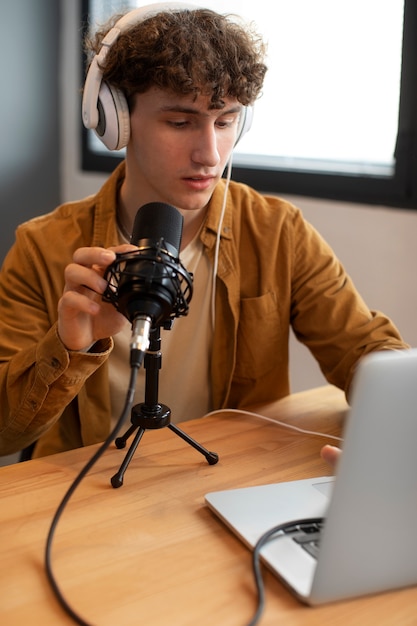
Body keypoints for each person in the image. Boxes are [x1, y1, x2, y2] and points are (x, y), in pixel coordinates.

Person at [0, 4, 408, 461]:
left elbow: (366, 351)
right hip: (90, 491)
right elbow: (3, 434)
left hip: (222, 481)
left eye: (226, 121)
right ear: (114, 118)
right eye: (180, 122)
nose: (210, 155)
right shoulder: (42, 247)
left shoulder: (278, 231)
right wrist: (68, 347)